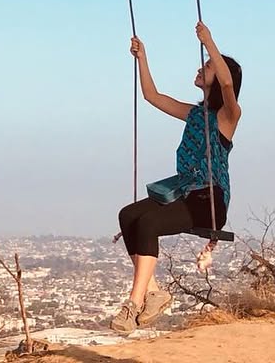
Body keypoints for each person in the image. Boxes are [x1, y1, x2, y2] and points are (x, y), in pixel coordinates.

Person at [110, 21, 243, 334]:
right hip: (184, 193)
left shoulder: (228, 116)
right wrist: (142, 57)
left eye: (208, 65)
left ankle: (132, 304)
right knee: (129, 215)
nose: (201, 67)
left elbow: (225, 85)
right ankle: (154, 292)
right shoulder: (194, 114)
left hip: (208, 200)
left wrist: (209, 41)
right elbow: (152, 96)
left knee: (148, 223)